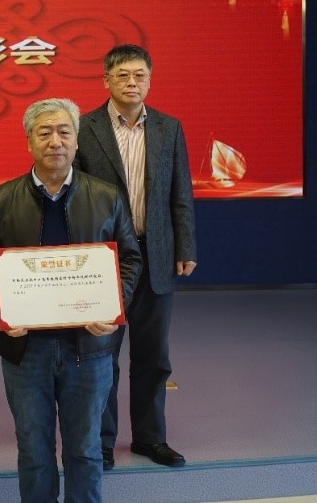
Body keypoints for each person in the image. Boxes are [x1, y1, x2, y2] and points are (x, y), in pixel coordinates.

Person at [0, 98, 140, 503]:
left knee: (85, 449)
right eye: (44, 133)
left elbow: (130, 259)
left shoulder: (106, 196)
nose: (55, 142)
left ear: (77, 140)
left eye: (64, 132)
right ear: (29, 141)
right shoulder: (2, 199)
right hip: (25, 348)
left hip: (89, 346)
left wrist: (113, 308)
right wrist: (4, 311)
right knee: (34, 451)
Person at [76, 44, 198, 470]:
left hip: (156, 253)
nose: (132, 82)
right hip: (104, 257)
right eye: (123, 75)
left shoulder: (168, 127)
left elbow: (180, 192)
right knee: (101, 353)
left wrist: (186, 247)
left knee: (153, 356)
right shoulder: (84, 127)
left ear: (150, 80)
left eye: (139, 75)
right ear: (106, 80)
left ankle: (150, 438)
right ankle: (101, 441)